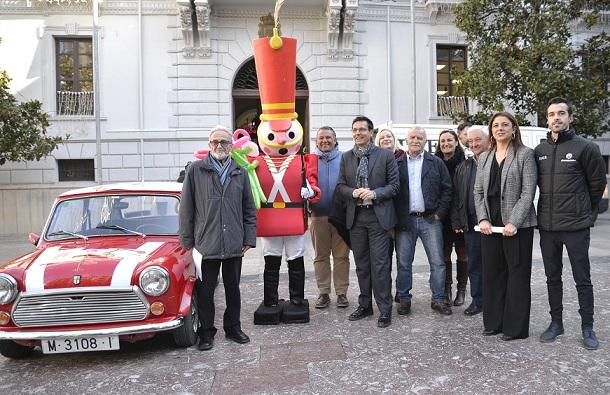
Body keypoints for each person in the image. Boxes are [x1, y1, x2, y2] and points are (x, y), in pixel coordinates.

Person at [535, 97, 607, 350]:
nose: (557, 117)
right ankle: (557, 323)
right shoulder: (540, 151)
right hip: (547, 228)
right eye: (552, 114)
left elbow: (598, 185)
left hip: (576, 227)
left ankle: (588, 327)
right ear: (547, 119)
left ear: (570, 117)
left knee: (582, 279)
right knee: (552, 278)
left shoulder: (586, 148)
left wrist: (588, 216)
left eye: (562, 113)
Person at [179, 125, 256, 351]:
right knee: (206, 291)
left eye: (224, 142)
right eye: (215, 142)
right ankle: (206, 333)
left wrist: (248, 238)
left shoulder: (240, 171)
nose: (219, 146)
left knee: (234, 289)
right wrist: (187, 241)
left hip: (234, 243)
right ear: (209, 145)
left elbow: (249, 209)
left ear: (232, 146)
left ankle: (233, 328)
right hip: (206, 243)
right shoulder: (195, 170)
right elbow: (186, 209)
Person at [474, 112, 537, 341]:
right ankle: (494, 323)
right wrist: (482, 218)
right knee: (493, 275)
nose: (500, 128)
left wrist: (514, 221)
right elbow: (478, 192)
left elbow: (528, 192)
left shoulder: (524, 155)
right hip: (489, 227)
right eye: (495, 125)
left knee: (517, 275)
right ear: (491, 130)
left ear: (513, 129)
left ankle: (515, 329)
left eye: (505, 125)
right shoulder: (484, 157)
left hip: (517, 227)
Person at [336, 116, 399, 328]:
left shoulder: (385, 156)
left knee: (380, 265)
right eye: (354, 130)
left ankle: (385, 309)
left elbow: (394, 186)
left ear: (371, 133)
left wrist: (374, 193)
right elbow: (340, 187)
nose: (358, 133)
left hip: (378, 217)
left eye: (362, 130)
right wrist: (354, 192)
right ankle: (365, 305)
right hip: (356, 218)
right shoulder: (346, 158)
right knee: (362, 265)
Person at [394, 127, 453, 316]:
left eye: (420, 137)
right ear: (406, 140)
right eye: (412, 137)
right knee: (403, 262)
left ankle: (438, 299)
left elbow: (447, 189)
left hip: (430, 219)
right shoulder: (397, 163)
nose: (416, 140)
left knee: (437, 262)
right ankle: (404, 299)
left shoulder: (435, 162)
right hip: (405, 220)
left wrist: (439, 214)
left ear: (425, 141)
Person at [310, 126, 351, 309]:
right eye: (321, 138)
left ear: (335, 140)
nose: (325, 141)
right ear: (316, 141)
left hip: (341, 217)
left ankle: (341, 293)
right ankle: (324, 292)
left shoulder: (345, 158)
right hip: (318, 215)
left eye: (328, 138)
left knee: (341, 256)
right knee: (321, 256)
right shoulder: (309, 160)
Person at [451, 127, 490, 316]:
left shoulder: (495, 161)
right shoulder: (464, 166)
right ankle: (478, 300)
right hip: (471, 224)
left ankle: (495, 299)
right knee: (474, 264)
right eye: (471, 141)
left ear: (488, 140)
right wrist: (457, 220)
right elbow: (457, 196)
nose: (474, 144)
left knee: (494, 264)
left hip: (492, 224)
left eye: (478, 140)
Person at [434, 129, 468, 306]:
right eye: (442, 141)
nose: (446, 144)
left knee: (463, 254)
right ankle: (446, 288)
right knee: (444, 254)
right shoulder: (434, 163)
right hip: (441, 216)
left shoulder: (465, 163)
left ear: (456, 142)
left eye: (449, 140)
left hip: (461, 215)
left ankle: (461, 290)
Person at [374, 123, 405, 302]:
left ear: (395, 140)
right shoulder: (375, 160)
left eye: (389, 136)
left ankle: (401, 293)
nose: (386, 139)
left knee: (403, 259)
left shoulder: (404, 158)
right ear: (378, 141)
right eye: (383, 137)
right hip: (382, 217)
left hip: (402, 217)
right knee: (384, 260)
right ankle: (385, 294)